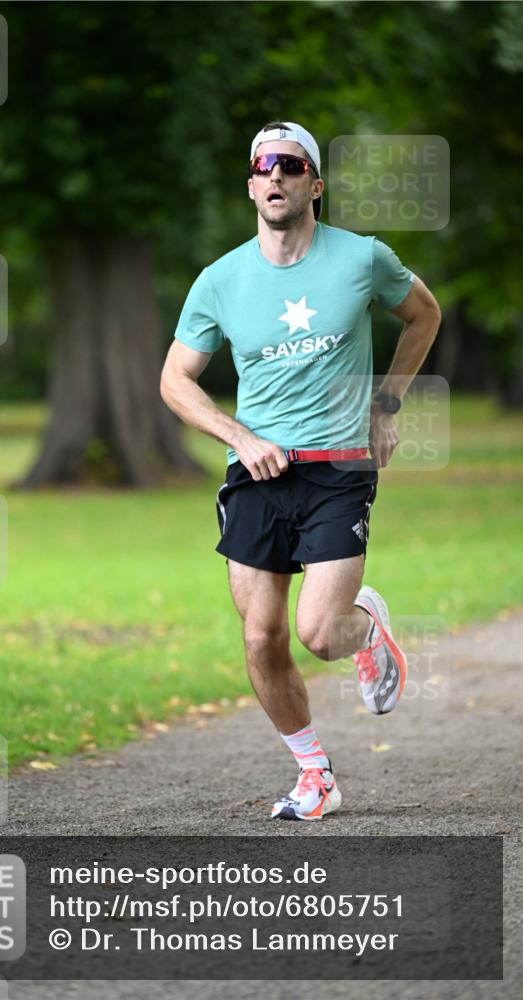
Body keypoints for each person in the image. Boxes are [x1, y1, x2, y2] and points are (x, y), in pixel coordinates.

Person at [160, 121, 441, 820]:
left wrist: (385, 403)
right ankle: (315, 775)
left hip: (338, 468)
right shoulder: (219, 280)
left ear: (314, 184)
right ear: (251, 185)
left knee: (318, 632)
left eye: (289, 164)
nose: (274, 176)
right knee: (260, 636)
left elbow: (422, 314)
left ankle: (365, 628)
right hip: (254, 476)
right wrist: (237, 435)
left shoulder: (361, 258)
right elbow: (174, 381)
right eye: (262, 166)